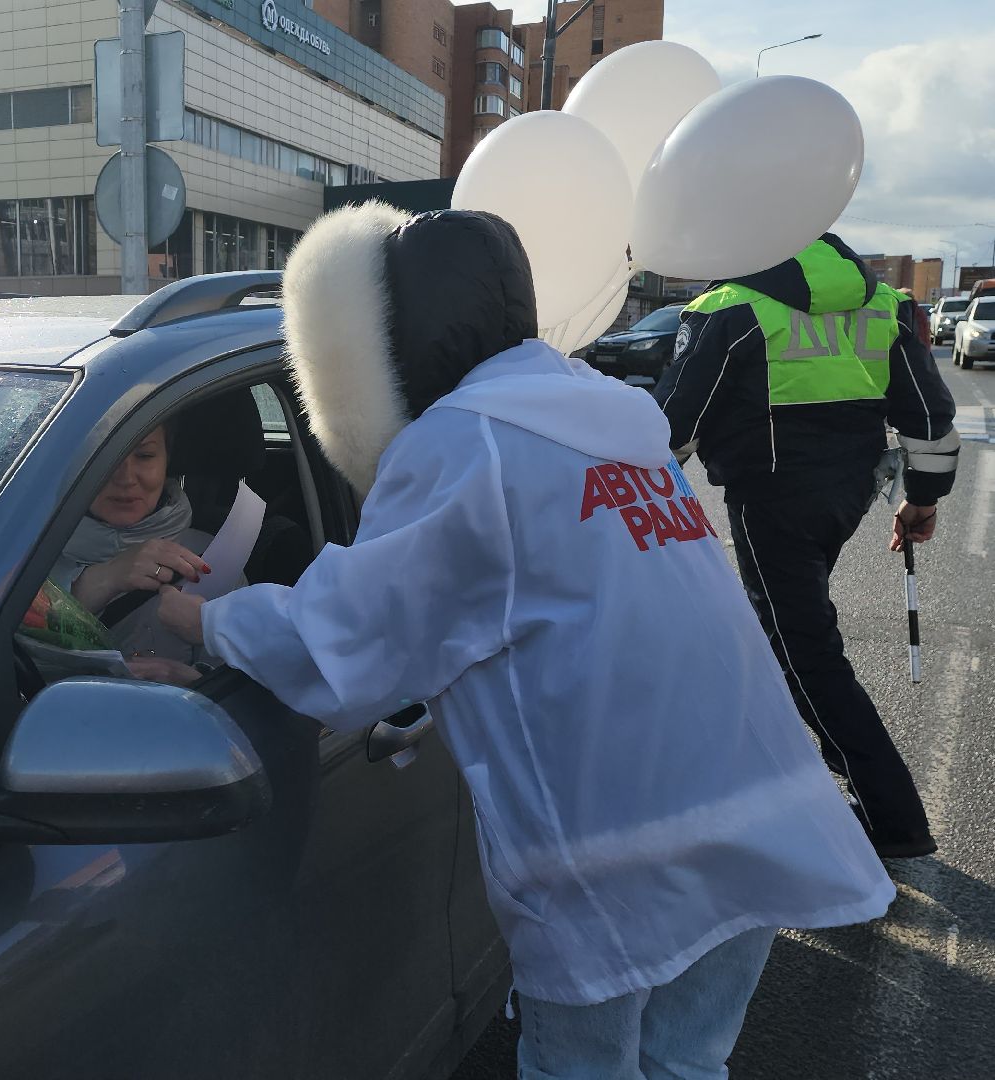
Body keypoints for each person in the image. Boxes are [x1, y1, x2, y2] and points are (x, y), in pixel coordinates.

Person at [157, 204, 894, 1078]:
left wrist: (206, 619)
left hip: (619, 846)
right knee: (685, 1064)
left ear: (382, 340)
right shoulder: (605, 420)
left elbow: (353, 642)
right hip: (753, 806)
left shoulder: (464, 443)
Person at [654, 233, 960, 860]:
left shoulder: (729, 307)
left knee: (801, 652)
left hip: (770, 497)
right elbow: (927, 417)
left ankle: (893, 816)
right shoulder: (885, 303)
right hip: (847, 494)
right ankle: (781, 780)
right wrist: (923, 499)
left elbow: (671, 427)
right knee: (786, 637)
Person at [49, 423, 212, 687]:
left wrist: (195, 684)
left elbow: (247, 697)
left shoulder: (213, 556)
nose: (125, 478)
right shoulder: (26, 554)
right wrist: (99, 581)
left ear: (167, 461)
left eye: (144, 456)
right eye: (104, 455)